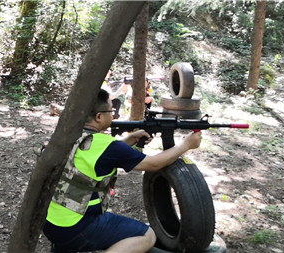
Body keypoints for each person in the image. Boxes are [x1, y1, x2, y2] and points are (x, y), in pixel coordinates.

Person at [43, 89, 202, 253]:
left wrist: (128, 141)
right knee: (147, 236)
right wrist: (186, 145)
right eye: (111, 111)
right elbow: (153, 164)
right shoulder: (107, 146)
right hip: (77, 227)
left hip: (49, 221)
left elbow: (91, 156)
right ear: (99, 117)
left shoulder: (68, 135)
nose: (113, 114)